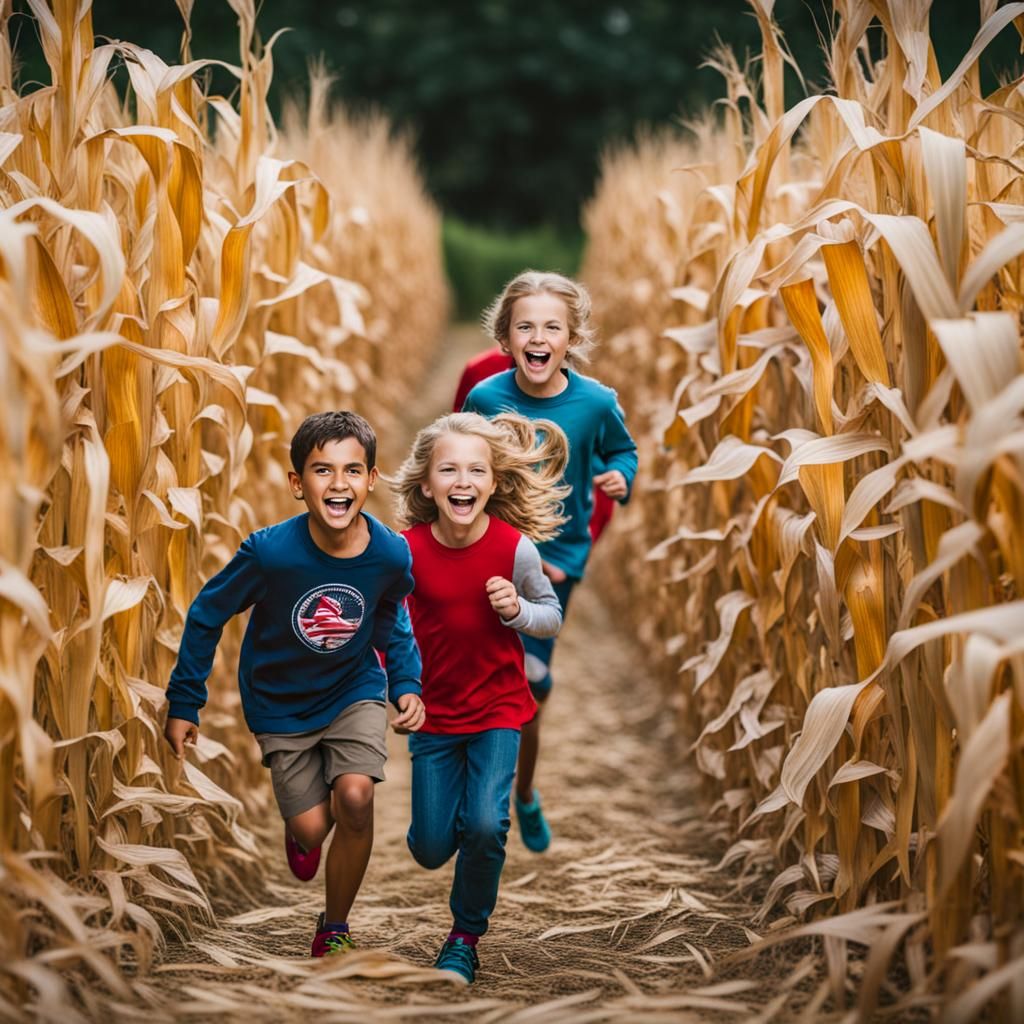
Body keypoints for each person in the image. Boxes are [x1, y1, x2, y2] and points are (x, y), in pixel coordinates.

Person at [163, 411, 426, 957]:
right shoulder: (270, 553)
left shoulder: (389, 553)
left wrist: (405, 682)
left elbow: (390, 617)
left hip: (354, 688)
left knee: (355, 797)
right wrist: (185, 699)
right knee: (310, 830)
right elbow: (208, 613)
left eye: (353, 471)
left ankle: (334, 927)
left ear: (371, 481)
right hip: (279, 704)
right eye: (321, 470)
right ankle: (302, 827)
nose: (338, 484)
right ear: (296, 484)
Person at [462, 270, 638, 854]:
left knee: (529, 683)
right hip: (489, 553)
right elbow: (457, 462)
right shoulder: (485, 400)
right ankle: (473, 785)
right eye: (525, 327)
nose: (539, 337)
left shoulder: (595, 402)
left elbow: (622, 449)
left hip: (557, 563)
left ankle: (523, 793)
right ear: (506, 339)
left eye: (553, 327)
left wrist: (622, 478)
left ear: (571, 338)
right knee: (481, 667)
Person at [390, 411, 568, 983]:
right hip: (436, 718)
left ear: (493, 484)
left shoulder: (513, 549)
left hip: (497, 710)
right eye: (449, 469)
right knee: (431, 847)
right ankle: (453, 828)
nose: (462, 480)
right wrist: (398, 689)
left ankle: (464, 937)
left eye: (475, 470)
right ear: (426, 484)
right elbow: (384, 629)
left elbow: (552, 616)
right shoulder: (406, 552)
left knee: (488, 826)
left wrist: (519, 611)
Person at [454, 345, 616, 543]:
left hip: (552, 533)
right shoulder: (479, 373)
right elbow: (456, 447)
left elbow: (600, 465)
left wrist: (586, 539)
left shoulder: (584, 390)